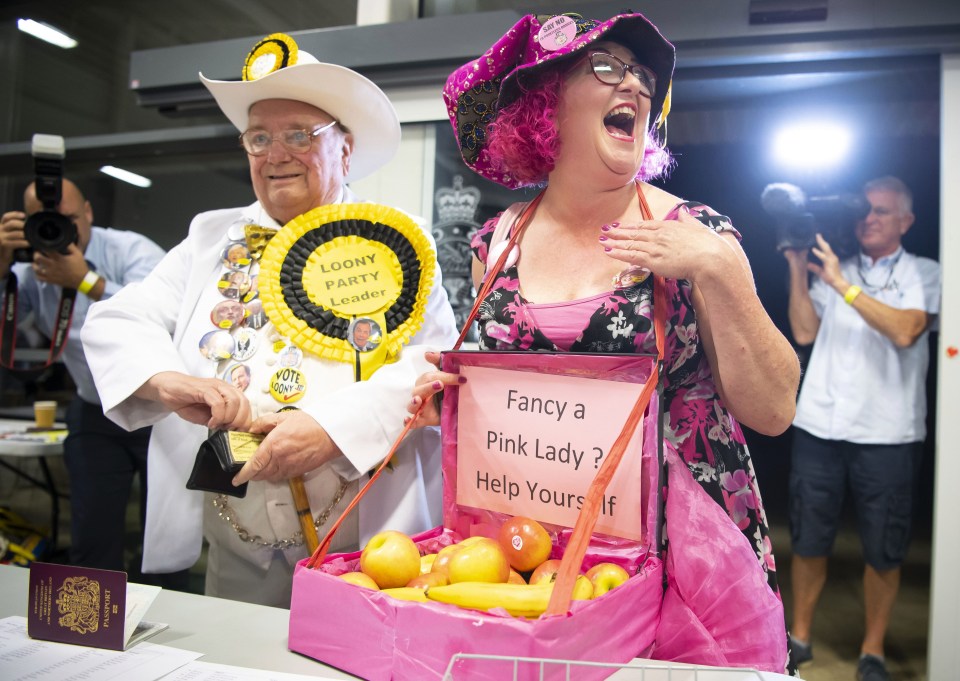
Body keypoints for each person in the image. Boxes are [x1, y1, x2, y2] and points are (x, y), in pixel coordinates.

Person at [407, 11, 800, 673]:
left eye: (645, 77)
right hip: (535, 547)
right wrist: (451, 406)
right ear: (544, 102)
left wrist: (721, 269)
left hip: (683, 559)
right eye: (610, 68)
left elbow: (774, 409)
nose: (639, 88)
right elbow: (513, 405)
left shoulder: (695, 231)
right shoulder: (494, 243)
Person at [80, 33, 458, 607]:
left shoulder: (396, 243)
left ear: (345, 151)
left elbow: (433, 366)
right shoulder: (212, 238)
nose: (274, 154)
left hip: (363, 544)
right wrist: (166, 379)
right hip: (235, 542)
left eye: (299, 135)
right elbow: (119, 319)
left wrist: (331, 430)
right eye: (259, 138)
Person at [783, 176, 940, 681]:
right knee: (807, 539)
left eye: (881, 211)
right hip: (819, 425)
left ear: (906, 222)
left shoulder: (926, 273)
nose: (868, 218)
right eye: (864, 211)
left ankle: (871, 650)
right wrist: (795, 267)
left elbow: (905, 329)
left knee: (884, 548)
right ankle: (800, 637)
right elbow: (804, 331)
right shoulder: (837, 268)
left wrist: (840, 286)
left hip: (888, 434)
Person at [0, 178, 177, 584]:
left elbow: (168, 317)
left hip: (161, 414)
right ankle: (89, 626)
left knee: (162, 536)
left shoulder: (130, 250)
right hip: (94, 408)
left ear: (89, 213)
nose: (57, 230)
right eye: (43, 221)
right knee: (92, 534)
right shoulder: (31, 269)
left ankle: (169, 625)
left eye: (68, 219)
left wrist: (84, 280)